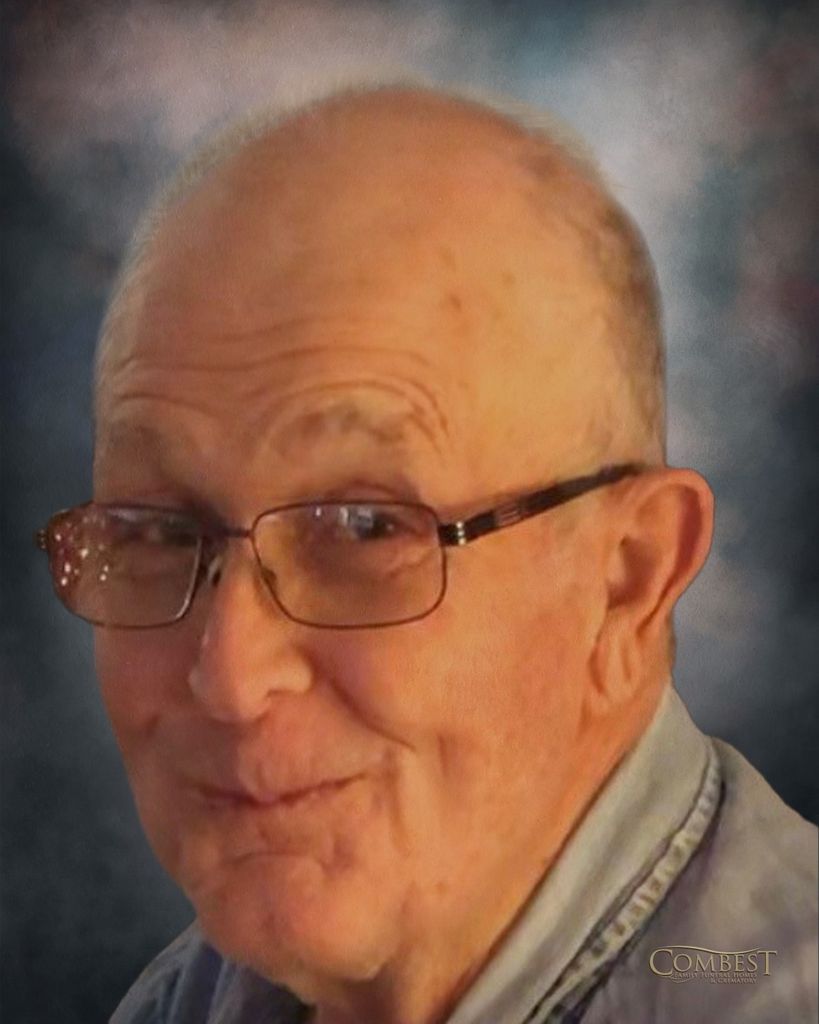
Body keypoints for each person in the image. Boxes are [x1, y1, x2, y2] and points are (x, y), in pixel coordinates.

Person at [37, 86, 816, 1024]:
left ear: (626, 582)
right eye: (158, 531)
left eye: (364, 529)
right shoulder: (188, 1001)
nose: (231, 679)